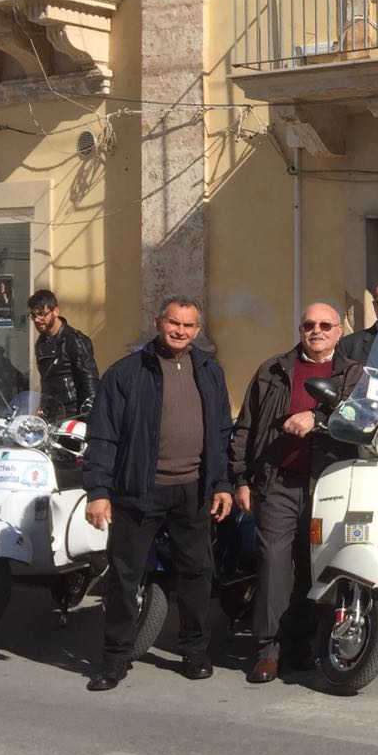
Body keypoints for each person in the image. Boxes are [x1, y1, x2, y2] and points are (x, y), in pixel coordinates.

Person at [81, 296, 233, 691]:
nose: (180, 331)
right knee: (124, 577)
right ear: (158, 322)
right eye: (173, 323)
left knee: (197, 574)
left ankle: (195, 652)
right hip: (138, 493)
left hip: (193, 491)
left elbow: (220, 434)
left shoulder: (210, 372)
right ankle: (114, 659)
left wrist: (221, 484)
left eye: (188, 326)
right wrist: (98, 491)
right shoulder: (126, 373)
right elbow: (103, 436)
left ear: (197, 330)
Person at [230, 302, 359, 684]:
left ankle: (301, 645)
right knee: (273, 564)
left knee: (313, 567)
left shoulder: (353, 374)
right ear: (300, 329)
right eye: (308, 324)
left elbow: (361, 415)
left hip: (328, 486)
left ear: (339, 331)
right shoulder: (273, 369)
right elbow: (245, 427)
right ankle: (267, 651)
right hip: (278, 482)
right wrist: (239, 478)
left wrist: (317, 419)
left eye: (324, 325)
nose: (316, 331)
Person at [27, 289, 99, 421]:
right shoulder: (41, 343)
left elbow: (89, 381)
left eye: (41, 314)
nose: (37, 320)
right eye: (33, 316)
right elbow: (47, 380)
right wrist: (42, 405)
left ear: (55, 311)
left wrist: (89, 416)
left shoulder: (74, 340)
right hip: (51, 416)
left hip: (73, 414)